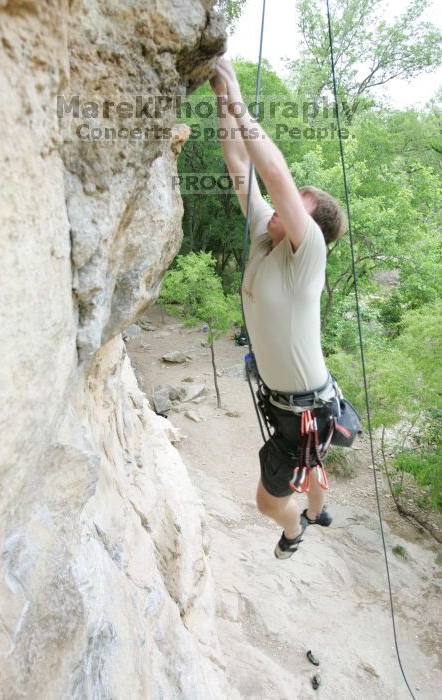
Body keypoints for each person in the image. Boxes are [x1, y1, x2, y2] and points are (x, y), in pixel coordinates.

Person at [210, 58, 348, 559]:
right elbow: (240, 167)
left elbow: (272, 171)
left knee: (268, 503)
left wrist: (240, 95)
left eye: (297, 203)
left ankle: (295, 528)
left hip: (305, 410)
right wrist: (222, 102)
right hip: (299, 400)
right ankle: (317, 507)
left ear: (308, 226)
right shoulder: (263, 237)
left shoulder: (308, 251)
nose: (281, 205)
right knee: (313, 459)